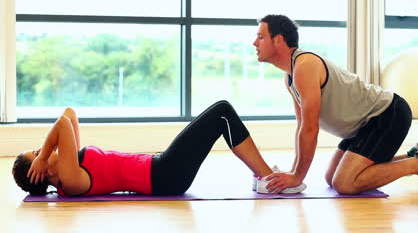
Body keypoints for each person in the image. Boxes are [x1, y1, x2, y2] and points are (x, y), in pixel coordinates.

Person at [252, 14, 418, 194]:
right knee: (331, 177)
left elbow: (310, 128)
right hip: (364, 126)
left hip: (387, 115)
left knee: (345, 183)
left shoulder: (305, 66)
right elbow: (302, 127)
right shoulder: (290, 77)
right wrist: (294, 171)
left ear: (278, 40)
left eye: (261, 37)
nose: (255, 43)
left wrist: (297, 176)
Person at [12, 101, 305, 196]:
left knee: (221, 112)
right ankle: (269, 180)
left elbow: (69, 113)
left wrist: (42, 154)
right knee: (222, 112)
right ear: (39, 174)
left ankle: (264, 177)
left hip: (161, 167)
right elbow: (62, 123)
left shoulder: (68, 165)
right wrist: (44, 154)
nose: (42, 150)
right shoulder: (69, 181)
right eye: (36, 155)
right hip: (164, 175)